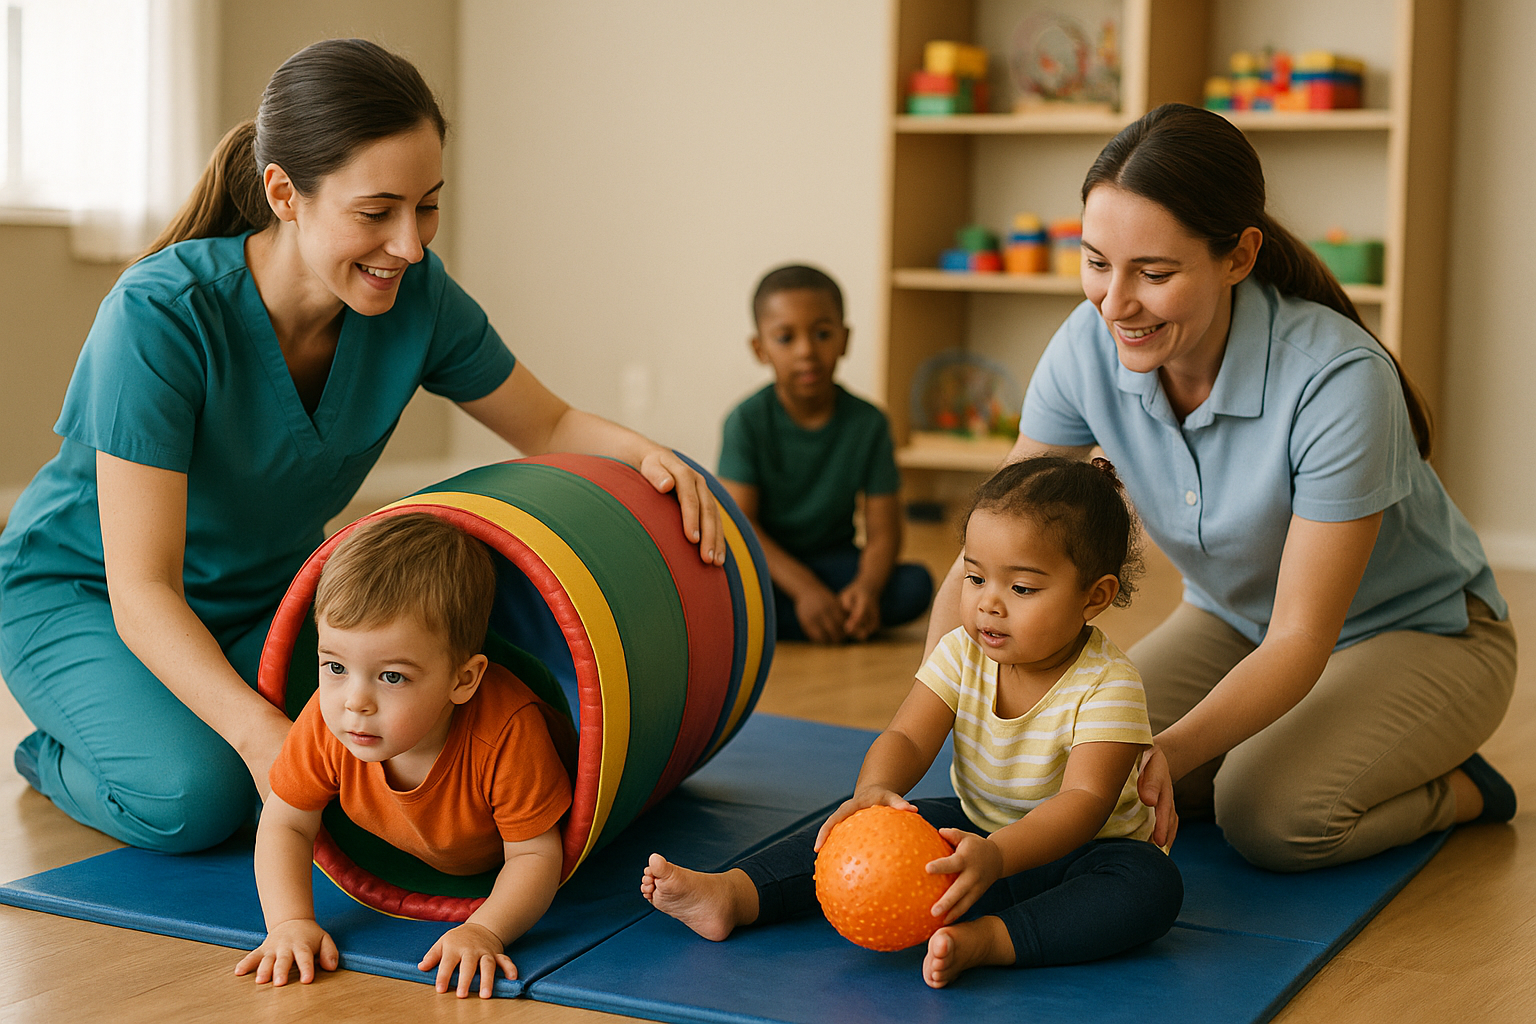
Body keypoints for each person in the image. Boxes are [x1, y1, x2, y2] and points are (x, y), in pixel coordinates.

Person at [0, 38, 722, 855]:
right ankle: (54, 754)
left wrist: (646, 454)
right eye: (377, 213)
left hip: (261, 599)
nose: (410, 245)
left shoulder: (418, 297)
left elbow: (548, 427)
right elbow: (142, 589)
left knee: (412, 740)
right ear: (284, 193)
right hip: (85, 596)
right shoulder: (162, 315)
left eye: (428, 205)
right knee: (199, 796)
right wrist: (257, 737)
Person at [927, 103, 1517, 873]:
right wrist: (939, 700)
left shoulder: (1337, 381)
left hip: (1423, 635)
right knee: (1060, 775)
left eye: (1155, 273)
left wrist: (1164, 753)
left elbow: (1302, 640)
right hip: (1237, 622)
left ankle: (1463, 788)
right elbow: (989, 543)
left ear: (1238, 257)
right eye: (1097, 261)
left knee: (1266, 813)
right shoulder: (1085, 344)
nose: (1115, 302)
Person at [642, 457, 1183, 989]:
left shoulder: (1110, 683)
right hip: (976, 831)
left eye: (1021, 589)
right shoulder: (961, 654)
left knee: (1149, 886)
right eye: (975, 577)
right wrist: (875, 793)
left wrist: (998, 856)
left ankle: (991, 940)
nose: (988, 604)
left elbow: (1084, 804)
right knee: (856, 823)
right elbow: (906, 735)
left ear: (1096, 596)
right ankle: (736, 894)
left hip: (1080, 858)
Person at [235, 513, 571, 999]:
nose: (355, 700)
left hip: (505, 848)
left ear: (463, 681)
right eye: (334, 666)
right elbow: (286, 822)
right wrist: (289, 922)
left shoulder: (508, 734)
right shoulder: (331, 723)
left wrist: (485, 929)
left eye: (391, 676)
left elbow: (536, 854)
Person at [718, 264, 933, 642]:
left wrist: (866, 588)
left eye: (822, 334)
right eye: (785, 338)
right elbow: (740, 525)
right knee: (724, 597)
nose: (806, 351)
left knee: (915, 585)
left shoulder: (869, 423)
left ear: (844, 339)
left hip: (836, 564)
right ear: (760, 348)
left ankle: (831, 614)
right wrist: (806, 591)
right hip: (769, 568)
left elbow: (884, 533)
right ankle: (823, 615)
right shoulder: (745, 422)